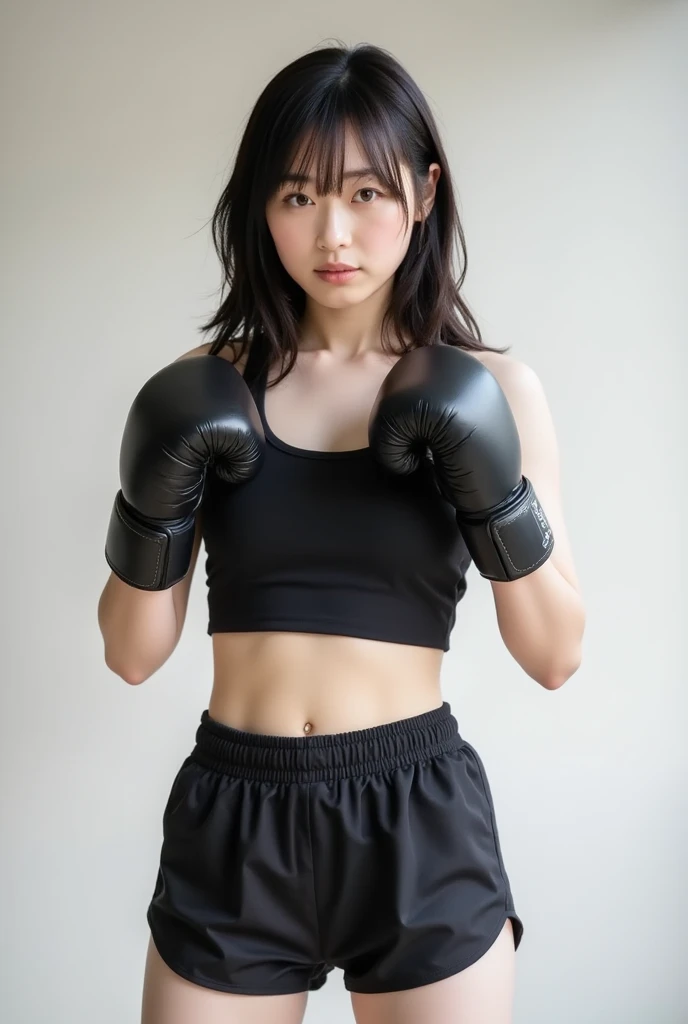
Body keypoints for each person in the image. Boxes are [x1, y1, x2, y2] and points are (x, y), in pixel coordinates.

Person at [97, 41, 585, 1024]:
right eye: (296, 196)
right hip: (235, 812)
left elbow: (554, 655)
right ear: (259, 208)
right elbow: (131, 653)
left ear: (424, 190)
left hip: (417, 817)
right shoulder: (212, 382)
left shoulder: (494, 389)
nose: (333, 232)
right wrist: (151, 499)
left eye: (366, 192)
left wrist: (490, 493)